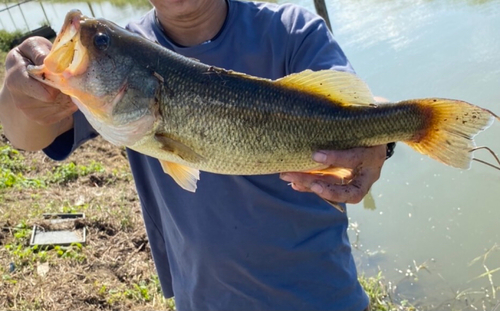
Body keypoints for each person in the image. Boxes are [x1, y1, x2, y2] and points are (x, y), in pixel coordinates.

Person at [0, 0, 389, 310]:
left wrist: (384, 139)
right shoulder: (128, 46)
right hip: (204, 298)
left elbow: (358, 108)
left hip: (321, 295)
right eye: (100, 44)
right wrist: (19, 93)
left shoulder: (292, 30)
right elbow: (27, 137)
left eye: (101, 42)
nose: (96, 45)